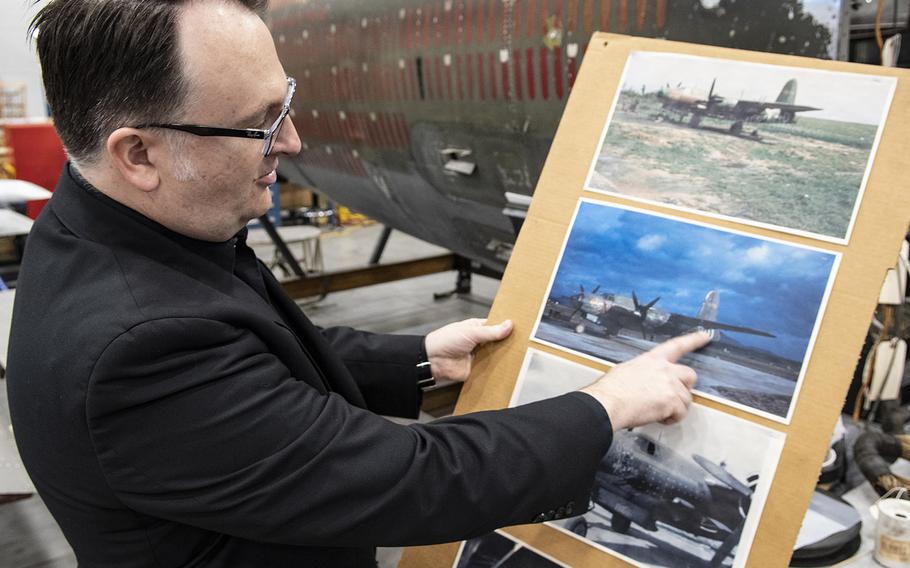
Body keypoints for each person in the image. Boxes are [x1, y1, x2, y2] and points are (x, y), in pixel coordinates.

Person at [6, 0, 710, 566]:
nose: (293, 142)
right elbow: (413, 477)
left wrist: (421, 356)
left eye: (283, 104)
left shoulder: (99, 226)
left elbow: (254, 353)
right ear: (140, 153)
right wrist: (605, 406)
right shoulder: (138, 350)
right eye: (260, 125)